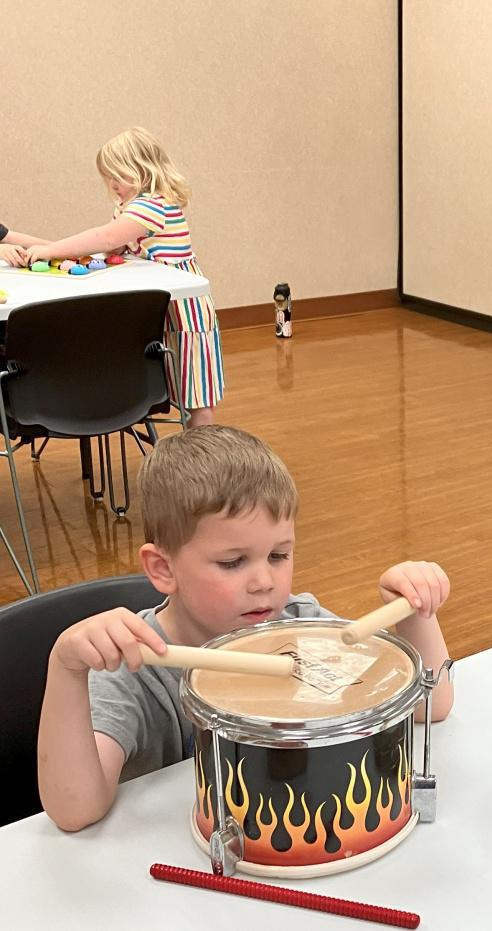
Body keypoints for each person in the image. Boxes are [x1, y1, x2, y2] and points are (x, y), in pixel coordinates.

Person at [37, 425, 454, 831]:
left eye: (278, 555)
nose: (264, 582)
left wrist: (415, 611)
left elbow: (430, 706)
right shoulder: (133, 669)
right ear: (163, 569)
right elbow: (75, 810)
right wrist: (65, 667)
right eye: (232, 562)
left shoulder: (298, 623)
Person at [22, 128, 225, 427]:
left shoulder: (153, 204)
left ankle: (204, 458)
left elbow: (105, 239)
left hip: (185, 307)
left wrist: (50, 250)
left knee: (196, 391)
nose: (113, 184)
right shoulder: (130, 206)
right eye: (109, 178)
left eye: (119, 176)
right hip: (160, 302)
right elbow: (117, 243)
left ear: (143, 171)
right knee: (175, 380)